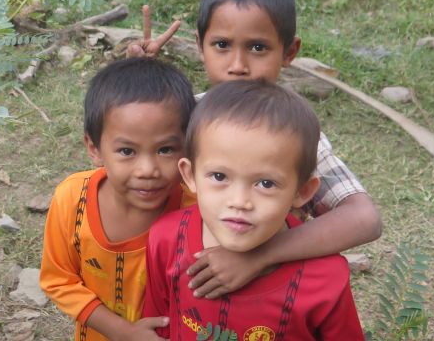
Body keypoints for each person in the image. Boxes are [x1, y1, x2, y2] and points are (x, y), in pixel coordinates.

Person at [128, 0, 382, 298]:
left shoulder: (291, 135)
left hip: (271, 296)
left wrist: (258, 255)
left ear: (289, 52)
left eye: (258, 47)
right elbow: (122, 147)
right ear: (200, 45)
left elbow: (364, 218)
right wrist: (139, 78)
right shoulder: (184, 115)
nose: (238, 65)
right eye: (221, 45)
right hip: (178, 280)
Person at [143, 80, 365, 339]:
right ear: (190, 175)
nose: (239, 201)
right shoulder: (166, 240)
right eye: (219, 176)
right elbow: (158, 328)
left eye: (266, 183)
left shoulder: (326, 280)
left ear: (302, 192)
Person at [39, 57, 195, 340]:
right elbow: (59, 280)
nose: (147, 170)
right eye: (127, 151)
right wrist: (123, 332)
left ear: (187, 147)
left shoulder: (197, 211)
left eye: (165, 150)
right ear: (94, 148)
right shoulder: (72, 199)